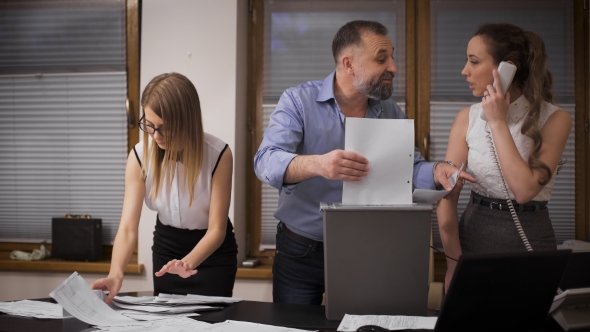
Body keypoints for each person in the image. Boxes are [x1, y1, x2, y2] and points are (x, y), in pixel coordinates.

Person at [254, 20, 471, 305]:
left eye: (392, 57)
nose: (393, 67)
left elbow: (408, 169)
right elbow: (265, 161)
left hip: (368, 250)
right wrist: (318, 165)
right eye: (382, 59)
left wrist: (436, 170)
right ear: (348, 64)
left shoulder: (390, 110)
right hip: (300, 253)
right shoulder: (297, 101)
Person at [436, 23, 572, 291]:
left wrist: (498, 122)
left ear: (506, 68)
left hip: (531, 239)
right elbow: (447, 198)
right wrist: (453, 263)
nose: (465, 70)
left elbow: (524, 191)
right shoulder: (467, 118)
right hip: (474, 237)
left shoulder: (555, 119)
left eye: (474, 61)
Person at [91, 73, 238, 303]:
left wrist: (186, 263)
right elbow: (128, 228)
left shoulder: (219, 154)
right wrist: (115, 273)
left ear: (186, 121)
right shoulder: (139, 156)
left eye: (164, 128)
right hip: (166, 249)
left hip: (212, 255)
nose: (156, 136)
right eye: (149, 126)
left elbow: (217, 230)